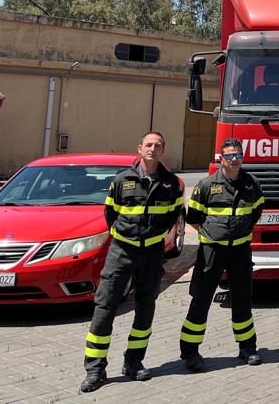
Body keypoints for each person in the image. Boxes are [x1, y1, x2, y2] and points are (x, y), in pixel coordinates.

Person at [80, 132, 184, 393]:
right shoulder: (121, 180)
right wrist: (125, 237)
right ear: (139, 148)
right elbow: (110, 214)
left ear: (163, 151)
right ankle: (95, 369)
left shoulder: (171, 184)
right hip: (121, 252)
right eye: (148, 145)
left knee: (145, 307)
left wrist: (155, 239)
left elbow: (173, 215)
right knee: (104, 308)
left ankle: (134, 362)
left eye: (158, 145)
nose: (153, 149)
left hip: (151, 255)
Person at [178, 138, 265, 371]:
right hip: (211, 252)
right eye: (229, 156)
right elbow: (194, 219)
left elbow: (256, 211)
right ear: (221, 159)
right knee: (201, 299)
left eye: (237, 155)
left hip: (240, 251)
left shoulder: (252, 183)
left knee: (242, 299)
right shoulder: (206, 186)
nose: (234, 159)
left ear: (242, 157)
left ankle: (247, 348)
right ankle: (189, 352)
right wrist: (211, 236)